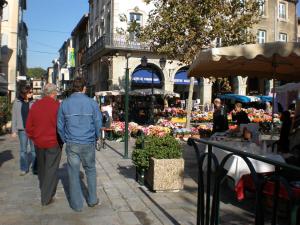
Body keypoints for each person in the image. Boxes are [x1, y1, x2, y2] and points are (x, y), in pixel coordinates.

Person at [57, 77, 102, 212]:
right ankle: (93, 200)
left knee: (73, 173)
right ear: (84, 88)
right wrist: (97, 137)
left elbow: (59, 125)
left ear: (73, 88)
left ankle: (77, 205)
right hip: (88, 142)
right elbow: (98, 122)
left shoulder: (64, 103)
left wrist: (65, 139)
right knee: (90, 170)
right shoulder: (92, 103)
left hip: (72, 143)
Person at [25, 83, 62, 206]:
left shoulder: (35, 106)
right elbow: (61, 125)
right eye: (56, 93)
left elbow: (29, 126)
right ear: (53, 93)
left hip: (39, 142)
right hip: (53, 142)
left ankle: (44, 187)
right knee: (51, 169)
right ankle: (46, 197)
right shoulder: (57, 106)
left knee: (42, 167)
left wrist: (34, 137)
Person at [12, 85, 36, 175]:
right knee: (23, 151)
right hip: (22, 130)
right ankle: (24, 168)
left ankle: (35, 168)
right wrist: (14, 130)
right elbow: (14, 117)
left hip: (33, 130)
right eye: (30, 92)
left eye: (32, 92)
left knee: (34, 151)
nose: (31, 94)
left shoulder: (34, 103)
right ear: (24, 93)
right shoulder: (17, 102)